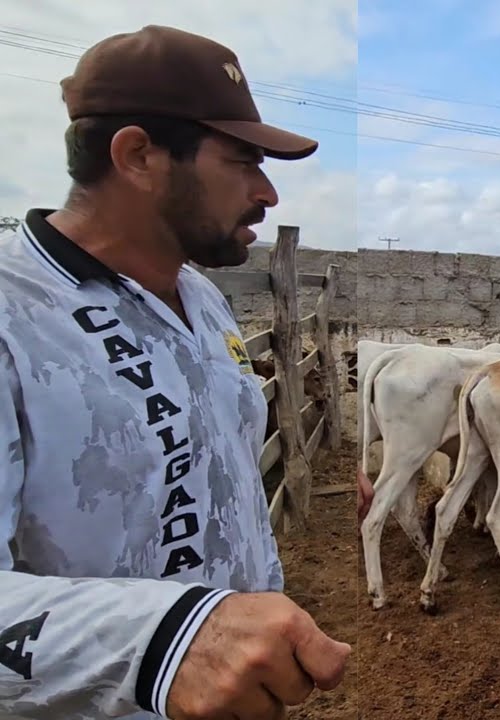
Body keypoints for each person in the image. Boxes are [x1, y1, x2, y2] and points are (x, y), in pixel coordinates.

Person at [0, 25, 350, 720]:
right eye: (243, 161)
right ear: (137, 156)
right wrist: (160, 642)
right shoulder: (13, 316)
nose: (268, 192)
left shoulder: (202, 298)